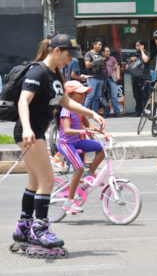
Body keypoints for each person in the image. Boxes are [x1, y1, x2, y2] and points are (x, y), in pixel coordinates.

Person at [12, 34, 105, 253]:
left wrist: (91, 112)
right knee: (48, 179)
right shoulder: (37, 71)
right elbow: (23, 100)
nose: (69, 59)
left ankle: (24, 227)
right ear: (55, 51)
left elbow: (67, 101)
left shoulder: (54, 75)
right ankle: (40, 229)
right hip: (29, 132)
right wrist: (26, 127)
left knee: (34, 182)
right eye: (67, 55)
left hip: (36, 133)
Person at [57, 80, 111, 214]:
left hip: (76, 141)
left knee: (103, 148)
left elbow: (88, 127)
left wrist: (103, 133)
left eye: (84, 94)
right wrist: (82, 132)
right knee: (79, 168)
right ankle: (69, 202)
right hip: (66, 143)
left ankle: (90, 173)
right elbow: (67, 130)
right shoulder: (66, 110)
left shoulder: (80, 110)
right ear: (70, 95)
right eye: (80, 94)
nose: (83, 96)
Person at [84, 38, 107, 113]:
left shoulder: (100, 54)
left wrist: (102, 63)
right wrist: (95, 62)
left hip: (100, 77)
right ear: (94, 45)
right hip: (92, 78)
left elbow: (103, 67)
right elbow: (87, 65)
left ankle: (94, 112)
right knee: (90, 96)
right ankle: (84, 113)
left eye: (101, 45)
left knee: (97, 97)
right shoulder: (88, 53)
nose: (101, 46)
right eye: (99, 44)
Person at [129, 40, 151, 117]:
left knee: (145, 95)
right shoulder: (134, 54)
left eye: (138, 45)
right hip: (135, 78)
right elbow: (129, 66)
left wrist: (142, 51)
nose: (137, 47)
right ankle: (138, 111)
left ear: (142, 46)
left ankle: (146, 112)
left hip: (144, 77)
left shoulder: (147, 53)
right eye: (136, 45)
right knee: (136, 95)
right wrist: (130, 60)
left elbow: (145, 60)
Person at [102, 46, 121, 118]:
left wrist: (118, 75)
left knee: (114, 96)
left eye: (109, 51)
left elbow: (117, 67)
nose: (108, 53)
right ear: (103, 52)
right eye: (106, 51)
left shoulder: (112, 58)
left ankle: (117, 112)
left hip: (111, 79)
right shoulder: (100, 59)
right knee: (105, 97)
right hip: (103, 80)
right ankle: (106, 112)